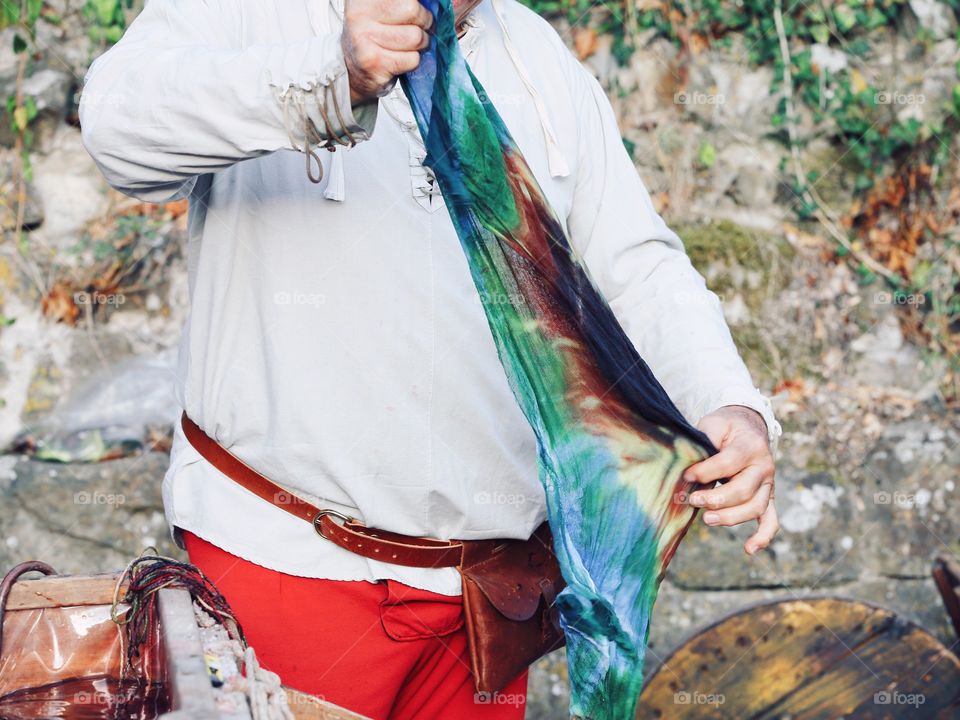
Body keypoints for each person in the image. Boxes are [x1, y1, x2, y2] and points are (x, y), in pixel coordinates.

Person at [79, 0, 782, 717]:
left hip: (483, 601)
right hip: (281, 568)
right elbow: (115, 126)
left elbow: (635, 267)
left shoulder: (534, 53)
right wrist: (333, 73)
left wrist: (724, 399)